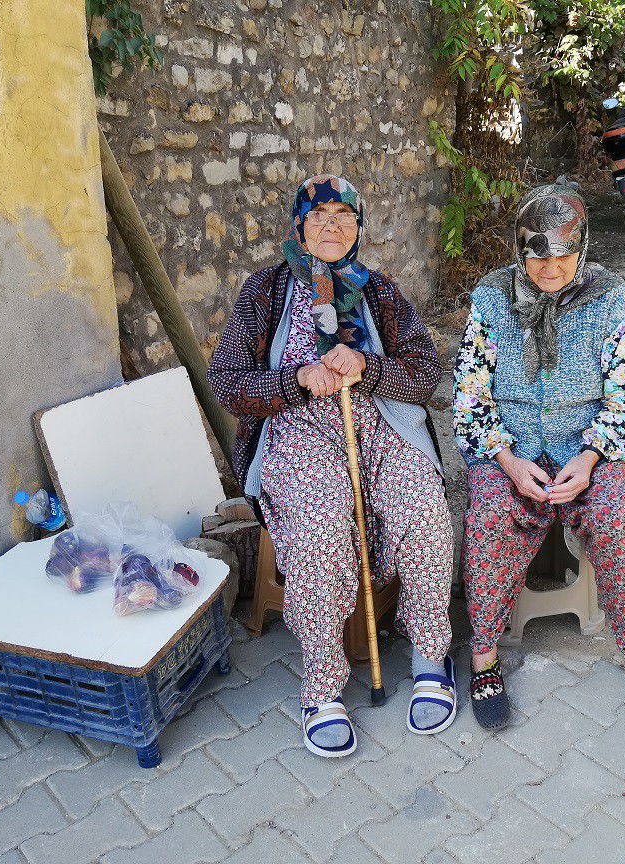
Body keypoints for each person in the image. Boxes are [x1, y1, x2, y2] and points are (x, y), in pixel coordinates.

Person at [208, 175, 456, 758]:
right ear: (298, 224)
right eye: (318, 214)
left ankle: (430, 654)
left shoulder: (379, 291)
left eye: (345, 214)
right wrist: (297, 380)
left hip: (383, 431)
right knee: (318, 539)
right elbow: (227, 381)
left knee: (423, 512)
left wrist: (367, 366)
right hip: (298, 436)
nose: (331, 224)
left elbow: (426, 375)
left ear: (358, 228)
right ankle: (322, 690)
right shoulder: (265, 292)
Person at [453, 183, 625, 729]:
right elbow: (470, 391)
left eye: (563, 252)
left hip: (588, 444)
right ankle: (483, 655)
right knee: (488, 514)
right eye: (538, 253)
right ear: (519, 249)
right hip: (506, 442)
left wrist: (591, 457)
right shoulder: (491, 298)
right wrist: (506, 460)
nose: (550, 267)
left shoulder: (609, 297)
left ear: (581, 247)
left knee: (611, 518)